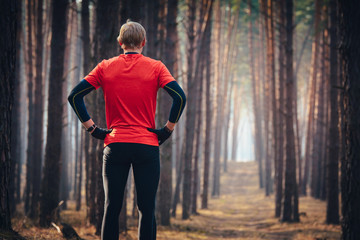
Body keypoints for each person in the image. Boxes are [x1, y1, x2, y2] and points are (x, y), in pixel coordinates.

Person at [67, 20, 186, 240]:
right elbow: (180, 97)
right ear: (144, 42)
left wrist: (92, 129)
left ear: (120, 42)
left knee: (112, 208)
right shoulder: (156, 67)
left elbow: (74, 96)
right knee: (146, 209)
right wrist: (167, 130)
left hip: (115, 145)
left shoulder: (105, 66)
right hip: (147, 146)